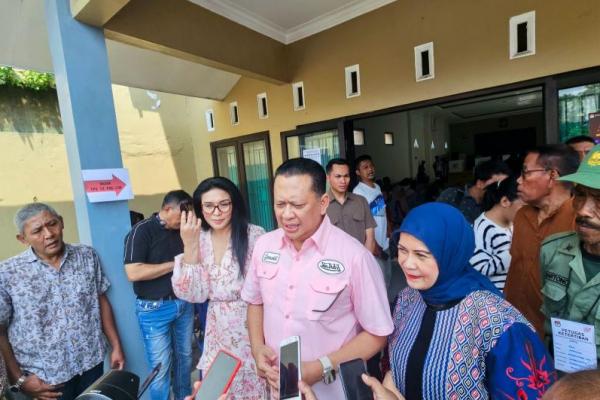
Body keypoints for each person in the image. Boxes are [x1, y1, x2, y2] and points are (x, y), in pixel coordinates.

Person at [242, 158, 393, 399]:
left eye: (297, 205)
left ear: (323, 203)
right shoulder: (264, 246)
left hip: (332, 390)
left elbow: (377, 334)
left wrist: (322, 366)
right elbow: (255, 301)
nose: (286, 214)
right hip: (279, 389)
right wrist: (257, 347)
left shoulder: (355, 257)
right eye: (280, 204)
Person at [371, 203, 556, 399]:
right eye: (402, 250)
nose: (407, 263)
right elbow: (395, 365)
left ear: (450, 253)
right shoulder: (407, 299)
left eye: (421, 255)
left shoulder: (498, 323)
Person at [0, 203, 124, 400]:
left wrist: (116, 345)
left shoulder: (86, 256)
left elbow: (100, 300)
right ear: (22, 239)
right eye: (37, 231)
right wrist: (18, 379)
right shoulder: (7, 273)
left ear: (62, 222)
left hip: (91, 363)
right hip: (45, 379)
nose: (49, 234)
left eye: (52, 224)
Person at [172, 177, 267, 399]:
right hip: (218, 329)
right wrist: (190, 245)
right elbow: (194, 294)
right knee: (221, 388)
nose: (216, 212)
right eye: (208, 206)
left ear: (235, 204)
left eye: (224, 204)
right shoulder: (199, 238)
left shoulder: (255, 235)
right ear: (199, 208)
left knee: (256, 383)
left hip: (253, 323)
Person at [124, 190, 194, 400]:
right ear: (167, 209)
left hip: (184, 303)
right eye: (181, 216)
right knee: (161, 368)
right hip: (154, 309)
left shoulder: (183, 230)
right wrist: (175, 264)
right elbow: (133, 272)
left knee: (185, 359)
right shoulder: (142, 231)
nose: (184, 220)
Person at [504, 144, 580, 335]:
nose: (518, 180)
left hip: (556, 333)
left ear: (552, 175)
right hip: (515, 323)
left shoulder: (579, 220)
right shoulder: (522, 216)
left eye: (525, 172)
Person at [540, 145, 600, 363]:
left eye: (599, 199)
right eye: (580, 195)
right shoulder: (553, 251)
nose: (583, 210)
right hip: (561, 369)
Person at [470, 176, 524, 291]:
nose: (527, 212)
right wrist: (513, 251)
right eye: (524, 207)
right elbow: (478, 269)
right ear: (505, 201)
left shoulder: (514, 223)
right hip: (495, 297)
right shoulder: (481, 228)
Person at [353, 154, 392, 292]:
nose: (370, 169)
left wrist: (389, 227)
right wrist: (372, 242)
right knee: (378, 281)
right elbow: (361, 220)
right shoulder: (358, 192)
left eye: (371, 166)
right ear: (358, 172)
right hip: (374, 244)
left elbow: (382, 210)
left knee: (387, 276)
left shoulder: (377, 187)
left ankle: (386, 304)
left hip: (384, 240)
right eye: (365, 167)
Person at [325, 158, 377, 253]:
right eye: (338, 176)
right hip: (334, 260)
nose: (343, 181)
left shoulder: (361, 201)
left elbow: (370, 238)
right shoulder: (320, 205)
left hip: (361, 258)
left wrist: (364, 260)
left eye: (346, 176)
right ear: (328, 178)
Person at [437, 159, 511, 225]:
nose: (502, 189)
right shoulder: (452, 195)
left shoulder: (497, 205)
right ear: (480, 183)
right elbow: (435, 222)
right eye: (497, 184)